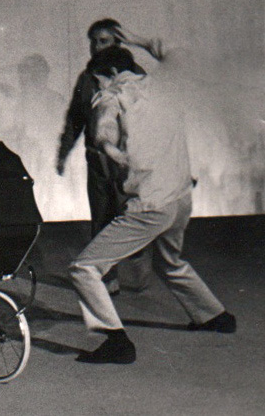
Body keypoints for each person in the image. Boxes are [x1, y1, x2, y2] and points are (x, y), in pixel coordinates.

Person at [68, 42, 236, 365]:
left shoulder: (112, 95)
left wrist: (109, 148)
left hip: (151, 205)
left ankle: (116, 342)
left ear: (112, 73)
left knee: (83, 268)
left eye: (99, 80)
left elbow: (103, 128)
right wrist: (136, 38)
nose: (98, 87)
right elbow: (175, 55)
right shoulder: (163, 87)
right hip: (180, 198)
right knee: (169, 262)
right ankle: (215, 316)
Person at [56, 19, 153, 294]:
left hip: (129, 163)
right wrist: (63, 153)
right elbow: (75, 119)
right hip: (98, 162)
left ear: (117, 43)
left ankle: (137, 263)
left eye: (103, 41)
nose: (96, 47)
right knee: (101, 219)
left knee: (131, 217)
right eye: (93, 42)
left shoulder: (138, 78)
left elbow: (151, 122)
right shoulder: (87, 79)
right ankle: (107, 279)